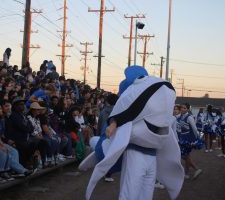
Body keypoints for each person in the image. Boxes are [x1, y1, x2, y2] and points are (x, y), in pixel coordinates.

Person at [79, 65, 184, 200]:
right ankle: (96, 143)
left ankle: (96, 143)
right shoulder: (131, 112)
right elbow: (124, 113)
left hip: (152, 155)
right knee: (130, 192)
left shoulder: (156, 109)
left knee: (146, 193)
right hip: (136, 154)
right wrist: (114, 123)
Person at [176, 103, 202, 180]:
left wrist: (197, 138)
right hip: (182, 138)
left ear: (188, 109)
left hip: (187, 139)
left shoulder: (189, 117)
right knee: (186, 156)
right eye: (182, 108)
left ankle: (194, 170)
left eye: (184, 108)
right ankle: (189, 172)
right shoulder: (180, 116)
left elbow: (194, 129)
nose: (182, 109)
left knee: (185, 156)